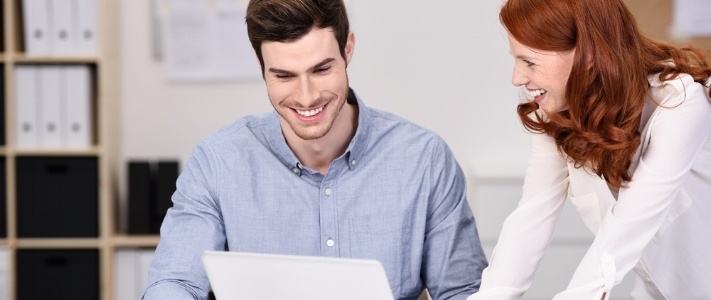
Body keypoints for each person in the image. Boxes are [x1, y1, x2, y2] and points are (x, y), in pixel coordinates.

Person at [141, 0, 488, 299]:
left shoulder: (424, 160)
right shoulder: (217, 164)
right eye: (284, 76)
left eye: (321, 69)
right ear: (259, 63)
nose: (306, 97)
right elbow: (173, 282)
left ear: (347, 49)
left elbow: (464, 291)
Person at [469, 0, 711, 299]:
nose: (517, 78)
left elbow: (628, 227)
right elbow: (530, 219)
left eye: (530, 62)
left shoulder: (681, 102)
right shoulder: (556, 112)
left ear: (588, 54)